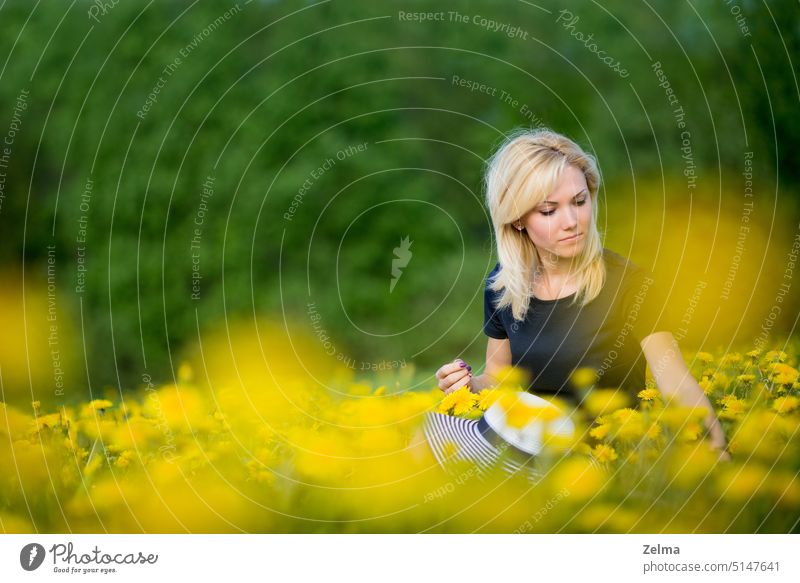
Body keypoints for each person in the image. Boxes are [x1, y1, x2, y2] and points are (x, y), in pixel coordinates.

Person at [435, 128, 729, 460]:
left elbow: (675, 381)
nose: (573, 221)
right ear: (517, 219)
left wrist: (716, 451)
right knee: (423, 441)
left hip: (603, 451)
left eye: (579, 201)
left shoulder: (629, 283)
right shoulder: (503, 287)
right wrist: (466, 386)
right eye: (549, 211)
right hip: (524, 443)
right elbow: (499, 379)